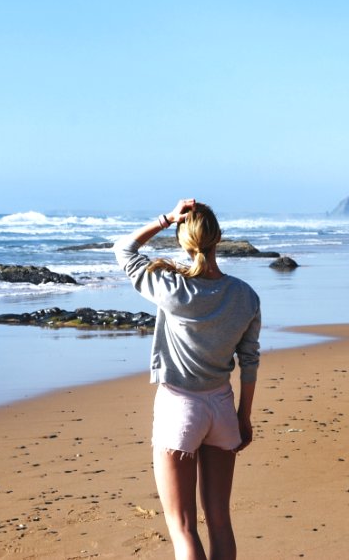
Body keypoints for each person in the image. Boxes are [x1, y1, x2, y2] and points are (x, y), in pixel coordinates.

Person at [113, 198, 261, 560]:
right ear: (219, 238)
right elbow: (250, 361)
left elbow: (123, 248)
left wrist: (166, 218)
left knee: (182, 528)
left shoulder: (171, 287)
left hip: (180, 407)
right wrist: (244, 417)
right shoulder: (245, 296)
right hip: (222, 409)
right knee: (220, 521)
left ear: (183, 241)